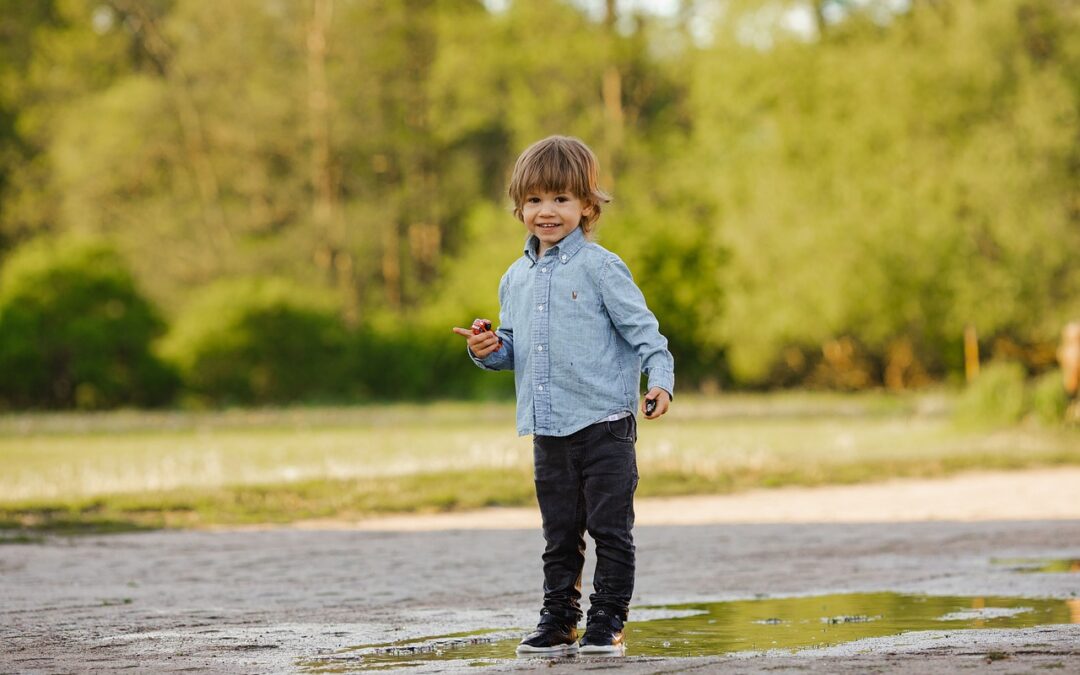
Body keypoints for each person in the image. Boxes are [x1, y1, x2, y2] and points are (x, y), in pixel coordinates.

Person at [452, 135, 674, 655]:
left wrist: (660, 381)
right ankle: (559, 619)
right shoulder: (515, 277)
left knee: (609, 530)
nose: (545, 212)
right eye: (534, 200)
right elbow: (515, 348)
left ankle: (607, 621)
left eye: (560, 200)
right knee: (559, 536)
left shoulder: (601, 268)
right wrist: (488, 347)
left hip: (605, 424)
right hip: (548, 429)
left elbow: (647, 335)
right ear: (518, 207)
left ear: (588, 207)